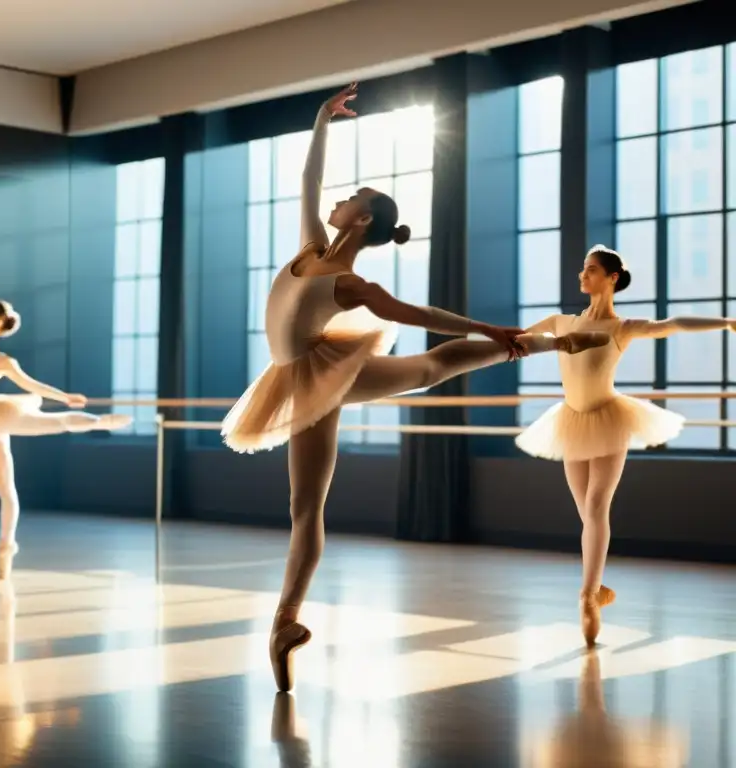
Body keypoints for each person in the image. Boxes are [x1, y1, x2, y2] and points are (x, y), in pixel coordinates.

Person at [221, 83, 611, 692]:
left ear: (365, 218)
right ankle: (284, 625)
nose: (341, 196)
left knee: (432, 366)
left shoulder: (349, 283)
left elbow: (417, 314)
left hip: (318, 372)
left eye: (354, 197)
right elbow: (308, 181)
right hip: (300, 376)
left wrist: (488, 327)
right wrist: (321, 119)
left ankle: (546, 343)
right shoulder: (311, 249)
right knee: (304, 507)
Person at [516, 245, 735, 646]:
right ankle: (597, 590)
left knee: (598, 507)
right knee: (588, 517)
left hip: (609, 418)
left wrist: (724, 322)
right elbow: (516, 340)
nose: (583, 276)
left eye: (592, 270)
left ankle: (586, 596)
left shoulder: (622, 328)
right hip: (570, 421)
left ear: (612, 278)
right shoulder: (560, 321)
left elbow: (672, 324)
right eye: (583, 269)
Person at [0, 248, 131, 579]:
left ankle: (100, 421)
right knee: (5, 491)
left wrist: (64, 396)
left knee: (51, 427)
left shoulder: (1, 361)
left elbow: (31, 385)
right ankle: (9, 545)